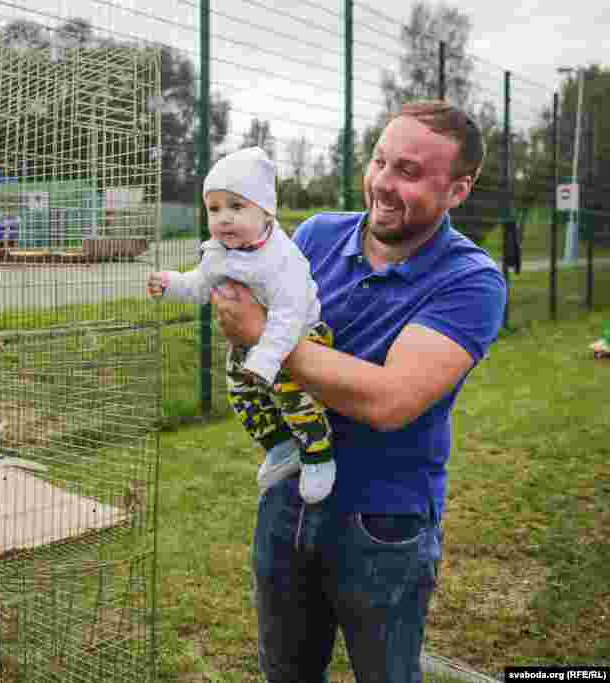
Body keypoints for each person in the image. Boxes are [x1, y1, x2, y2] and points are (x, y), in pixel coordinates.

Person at [212, 101, 507, 683]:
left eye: (411, 172)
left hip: (384, 523)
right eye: (379, 161)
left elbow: (389, 401)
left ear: (459, 189)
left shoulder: (471, 280)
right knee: (286, 672)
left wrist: (264, 337)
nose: (385, 183)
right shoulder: (319, 235)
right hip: (288, 500)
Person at [147, 147, 337, 503]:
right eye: (214, 209)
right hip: (250, 345)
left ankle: (318, 453)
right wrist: (171, 283)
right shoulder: (220, 252)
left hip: (297, 338)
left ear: (266, 212)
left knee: (292, 394)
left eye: (236, 206)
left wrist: (266, 357)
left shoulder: (282, 260)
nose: (223, 219)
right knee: (240, 393)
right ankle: (280, 445)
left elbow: (288, 315)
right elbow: (201, 285)